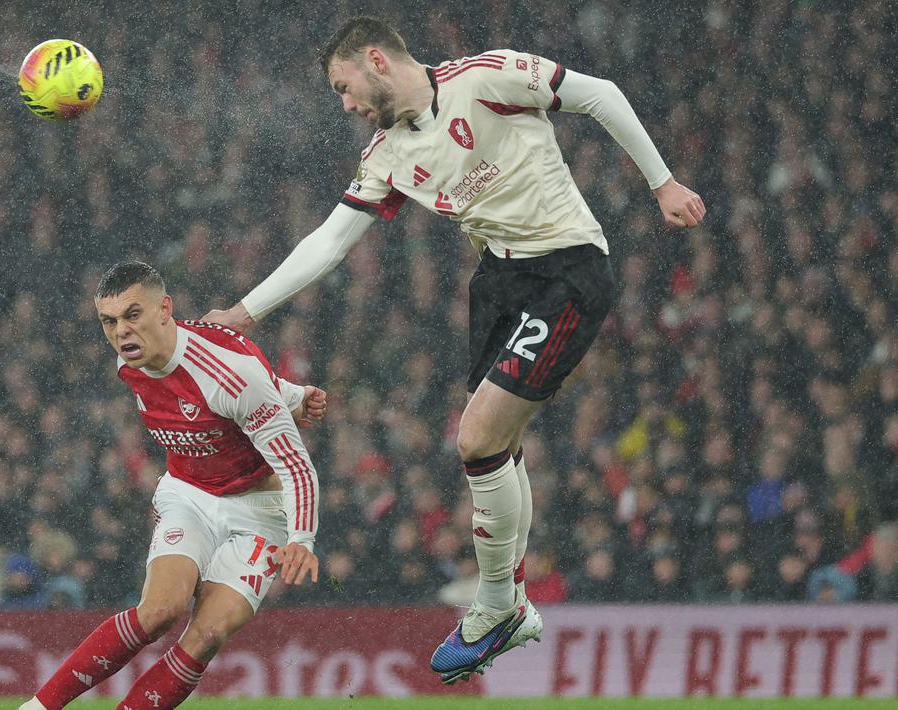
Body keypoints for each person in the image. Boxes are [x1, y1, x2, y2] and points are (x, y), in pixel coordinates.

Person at [203, 16, 706, 683]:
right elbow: (328, 241)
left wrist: (661, 182)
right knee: (494, 449)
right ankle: (510, 601)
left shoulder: (485, 77)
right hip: (498, 283)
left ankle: (497, 603)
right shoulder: (386, 154)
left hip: (566, 268)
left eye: (343, 86)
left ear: (375, 60)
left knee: (474, 439)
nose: (345, 104)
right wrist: (243, 312)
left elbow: (599, 94)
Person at [21, 261, 326, 710]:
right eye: (109, 321)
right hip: (190, 494)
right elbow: (246, 387)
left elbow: (296, 462)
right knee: (160, 610)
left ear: (165, 309)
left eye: (132, 314)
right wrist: (294, 395)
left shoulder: (230, 375)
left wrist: (302, 539)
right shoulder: (129, 362)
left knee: (206, 634)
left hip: (261, 510)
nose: (121, 332)